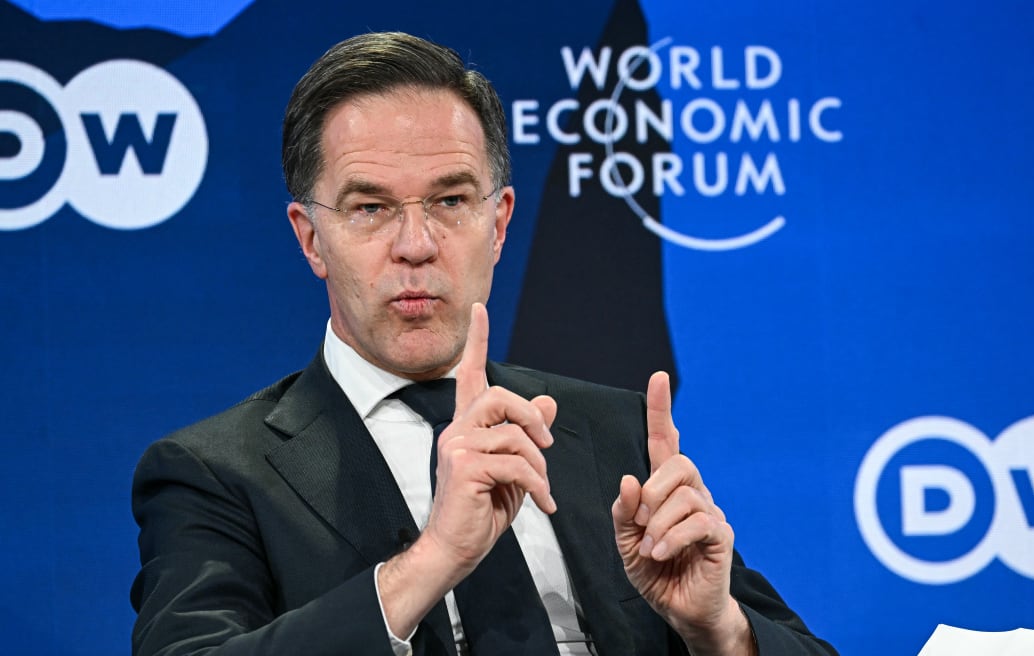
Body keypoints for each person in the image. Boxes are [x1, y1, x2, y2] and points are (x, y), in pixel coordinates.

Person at [130, 31, 837, 656]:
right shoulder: (216, 473)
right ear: (311, 238)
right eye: (371, 208)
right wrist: (433, 559)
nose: (416, 245)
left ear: (498, 224)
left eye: (449, 200)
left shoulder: (613, 435)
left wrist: (718, 630)